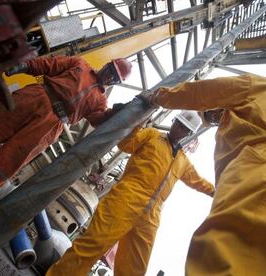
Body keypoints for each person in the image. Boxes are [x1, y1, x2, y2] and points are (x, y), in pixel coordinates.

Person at [0, 55, 132, 239]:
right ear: (107, 64)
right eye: (111, 70)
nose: (110, 76)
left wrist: (117, 114)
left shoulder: (101, 103)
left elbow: (98, 121)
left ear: (116, 83)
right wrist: (24, 65)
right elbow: (50, 64)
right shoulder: (80, 64)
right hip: (34, 97)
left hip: (49, 126)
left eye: (115, 77)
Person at [142, 74, 266, 275]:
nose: (216, 119)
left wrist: (157, 97)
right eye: (212, 120)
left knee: (224, 255)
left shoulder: (252, 87)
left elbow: (200, 92)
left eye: (211, 114)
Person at [47, 111, 215, 276]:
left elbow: (199, 182)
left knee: (135, 268)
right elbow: (126, 145)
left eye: (184, 128)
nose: (179, 129)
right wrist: (137, 124)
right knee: (93, 245)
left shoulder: (183, 162)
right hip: (125, 199)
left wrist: (218, 192)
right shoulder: (152, 135)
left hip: (151, 217)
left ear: (189, 133)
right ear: (173, 122)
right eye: (178, 124)